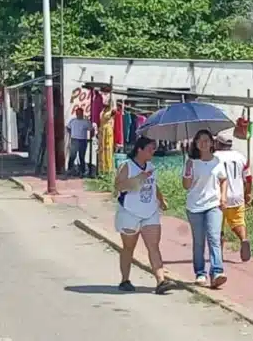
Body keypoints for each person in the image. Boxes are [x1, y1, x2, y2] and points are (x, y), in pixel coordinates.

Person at [114, 136, 175, 294]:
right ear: (139, 149)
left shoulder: (151, 166)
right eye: (150, 148)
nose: (152, 152)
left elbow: (154, 184)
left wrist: (161, 199)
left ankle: (161, 280)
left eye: (153, 148)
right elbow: (118, 186)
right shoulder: (126, 166)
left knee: (153, 246)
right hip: (130, 212)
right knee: (128, 247)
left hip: (150, 212)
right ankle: (125, 279)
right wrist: (138, 179)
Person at [183, 130, 229, 289]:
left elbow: (223, 179)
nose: (203, 143)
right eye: (200, 140)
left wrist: (223, 197)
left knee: (214, 238)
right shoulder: (191, 163)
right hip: (195, 206)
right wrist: (188, 171)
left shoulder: (217, 161)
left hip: (213, 205)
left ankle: (217, 271)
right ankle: (200, 272)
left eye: (206, 140)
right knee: (199, 242)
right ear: (195, 144)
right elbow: (186, 186)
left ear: (211, 143)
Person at [213, 131, 253, 262]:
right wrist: (248, 193)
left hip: (219, 197)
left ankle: (218, 254)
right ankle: (244, 239)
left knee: (217, 225)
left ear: (218, 143)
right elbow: (248, 177)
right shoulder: (241, 157)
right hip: (238, 195)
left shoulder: (214, 157)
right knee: (238, 222)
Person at [66, 107, 93, 176]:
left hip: (82, 140)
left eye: (80, 113)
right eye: (77, 113)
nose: (79, 114)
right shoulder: (73, 121)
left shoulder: (85, 121)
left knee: (81, 156)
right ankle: (70, 170)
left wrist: (88, 120)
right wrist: (71, 134)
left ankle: (82, 171)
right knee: (72, 156)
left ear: (82, 113)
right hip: (74, 140)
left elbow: (91, 129)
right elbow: (68, 127)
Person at [98, 102, 116, 174]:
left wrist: (112, 113)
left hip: (107, 132)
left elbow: (111, 114)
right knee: (102, 150)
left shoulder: (110, 112)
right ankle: (102, 169)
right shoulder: (103, 112)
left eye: (106, 106)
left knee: (108, 150)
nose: (105, 107)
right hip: (103, 132)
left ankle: (108, 169)